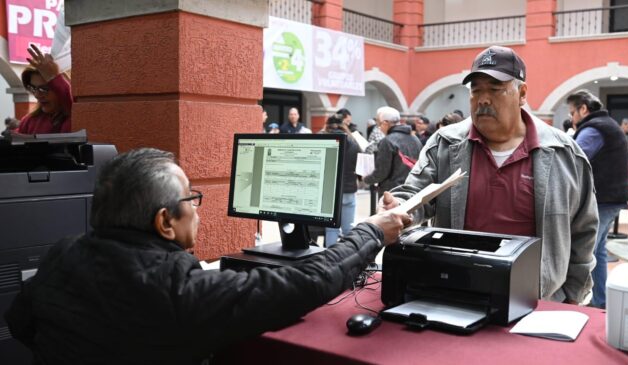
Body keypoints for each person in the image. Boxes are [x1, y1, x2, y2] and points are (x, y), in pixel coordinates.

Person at [5, 148, 411, 364]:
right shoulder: (176, 292)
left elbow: (19, 322)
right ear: (165, 222)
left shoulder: (63, 253)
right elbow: (308, 282)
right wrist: (372, 230)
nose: (197, 210)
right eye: (191, 199)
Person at [385, 45, 598, 304]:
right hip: (456, 291)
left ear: (521, 93)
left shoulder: (565, 154)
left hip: (535, 300)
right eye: (476, 91)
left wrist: (569, 296)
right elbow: (416, 195)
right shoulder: (445, 144)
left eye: (495, 89)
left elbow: (584, 231)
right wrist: (399, 207)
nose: (483, 99)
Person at [567, 90, 628, 309]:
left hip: (603, 199)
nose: (573, 118)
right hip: (612, 198)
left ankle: (577, 301)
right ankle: (600, 301)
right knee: (598, 251)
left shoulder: (594, 128)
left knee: (585, 252)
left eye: (573, 113)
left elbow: (572, 158)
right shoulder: (608, 124)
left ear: (583, 108)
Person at [363, 106, 422, 195]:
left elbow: (382, 172)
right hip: (413, 189)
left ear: (385, 123)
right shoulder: (415, 139)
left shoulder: (387, 141)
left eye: (379, 124)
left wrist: (367, 179)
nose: (378, 127)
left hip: (392, 192)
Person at [322, 114, 361, 246]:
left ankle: (329, 259)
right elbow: (359, 166)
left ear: (327, 126)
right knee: (348, 229)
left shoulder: (324, 140)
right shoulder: (354, 142)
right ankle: (347, 257)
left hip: (329, 191)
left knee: (331, 229)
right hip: (349, 189)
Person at [18, 44, 72, 134]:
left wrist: (53, 77)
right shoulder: (28, 122)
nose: (37, 95)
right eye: (33, 88)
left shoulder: (77, 116)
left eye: (44, 89)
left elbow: (72, 105)